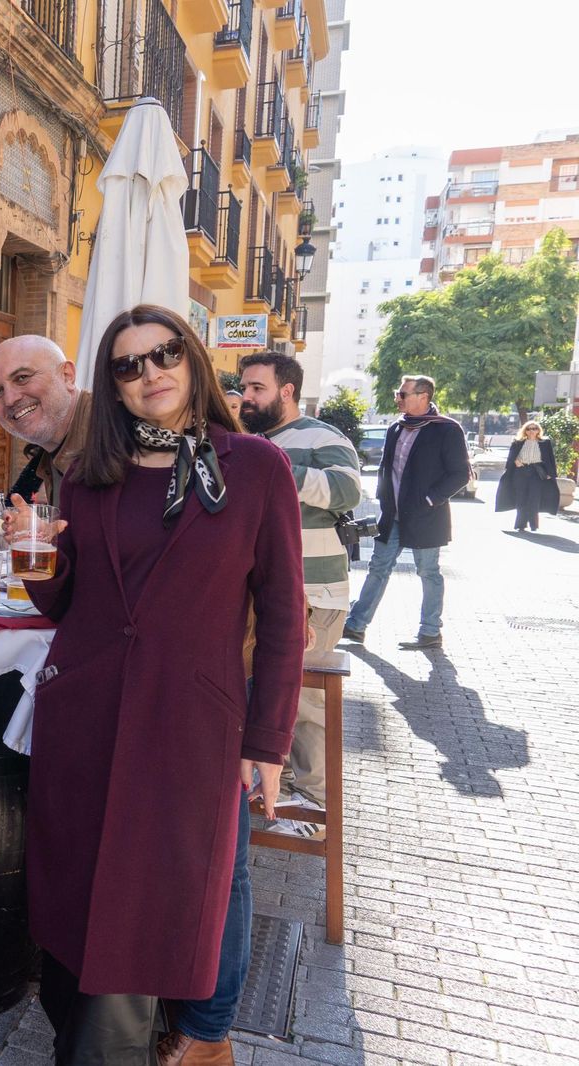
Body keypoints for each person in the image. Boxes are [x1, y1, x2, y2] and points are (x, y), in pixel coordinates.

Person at [15, 304, 303, 1065]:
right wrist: (33, 556)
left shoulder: (255, 468)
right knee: (83, 888)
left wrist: (268, 743)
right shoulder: (88, 474)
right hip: (88, 709)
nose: (150, 373)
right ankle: (93, 1043)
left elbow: (282, 615)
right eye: (128, 364)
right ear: (111, 386)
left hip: (191, 719)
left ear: (193, 359)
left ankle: (193, 1039)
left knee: (173, 893)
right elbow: (66, 601)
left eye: (164, 353)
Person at [238, 352, 361, 842]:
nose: (246, 397)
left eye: (256, 388)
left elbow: (345, 491)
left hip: (317, 591)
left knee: (306, 700)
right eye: (244, 387)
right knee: (270, 694)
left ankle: (316, 808)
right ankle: (277, 795)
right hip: (272, 595)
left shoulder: (321, 437)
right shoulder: (253, 442)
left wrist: (275, 466)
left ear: (286, 390)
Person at [343, 375, 470, 650]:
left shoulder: (447, 429)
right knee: (378, 568)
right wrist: (383, 500)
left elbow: (460, 474)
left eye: (402, 394)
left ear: (423, 396)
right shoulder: (395, 428)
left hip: (426, 516)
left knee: (428, 571)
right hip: (393, 517)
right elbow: (387, 470)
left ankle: (430, 631)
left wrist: (429, 499)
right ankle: (355, 626)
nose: (397, 398)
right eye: (397, 393)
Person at [0, 335, 92, 509]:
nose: (10, 399)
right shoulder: (54, 451)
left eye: (22, 377)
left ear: (67, 376)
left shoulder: (115, 437)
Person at [495, 420, 558, 532]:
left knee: (534, 498)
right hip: (520, 472)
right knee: (521, 497)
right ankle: (520, 524)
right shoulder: (517, 442)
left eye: (534, 428)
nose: (531, 431)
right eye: (528, 429)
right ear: (525, 430)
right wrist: (516, 461)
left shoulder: (545, 442)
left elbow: (550, 459)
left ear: (538, 430)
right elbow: (511, 457)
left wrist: (551, 473)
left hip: (537, 472)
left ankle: (533, 524)